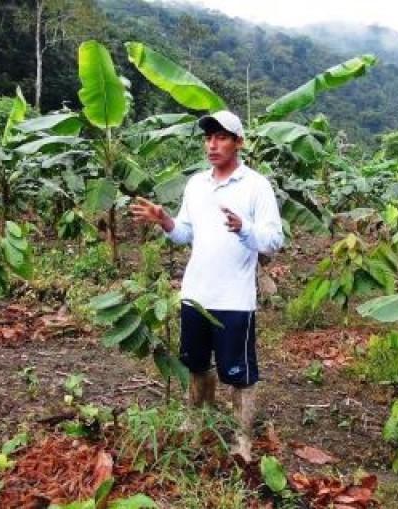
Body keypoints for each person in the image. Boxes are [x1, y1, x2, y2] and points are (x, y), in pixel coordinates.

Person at [129, 110, 284, 461]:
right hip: (195, 295)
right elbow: (185, 234)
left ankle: (241, 439)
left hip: (234, 300)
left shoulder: (256, 186)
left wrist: (244, 228)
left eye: (222, 137)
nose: (212, 144)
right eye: (208, 137)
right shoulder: (196, 184)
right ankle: (197, 422)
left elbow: (274, 240)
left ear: (238, 142)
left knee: (239, 374)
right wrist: (165, 220)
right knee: (196, 364)